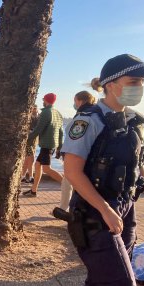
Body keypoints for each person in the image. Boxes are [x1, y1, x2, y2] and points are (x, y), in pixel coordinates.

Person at [62, 54, 144, 286]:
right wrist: (106, 210)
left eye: (141, 84)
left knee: (99, 282)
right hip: (95, 214)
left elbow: (135, 167)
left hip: (125, 210)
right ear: (111, 85)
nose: (139, 89)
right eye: (133, 83)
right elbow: (72, 172)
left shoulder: (131, 122)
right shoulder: (88, 120)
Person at [53, 91, 97, 220]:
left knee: (68, 183)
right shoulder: (94, 113)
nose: (74, 103)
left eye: (75, 100)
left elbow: (76, 139)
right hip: (88, 158)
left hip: (77, 158)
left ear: (80, 101)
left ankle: (64, 208)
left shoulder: (83, 116)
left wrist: (66, 154)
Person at [23, 93, 64, 196]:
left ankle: (67, 185)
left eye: (43, 100)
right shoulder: (57, 113)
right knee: (37, 165)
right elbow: (61, 132)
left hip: (47, 144)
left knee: (46, 168)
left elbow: (38, 129)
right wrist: (59, 147)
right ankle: (33, 191)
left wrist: (25, 140)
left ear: (46, 100)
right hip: (52, 144)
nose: (42, 101)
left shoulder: (46, 112)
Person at [21, 105, 39, 183]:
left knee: (28, 160)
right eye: (33, 108)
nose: (34, 110)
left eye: (35, 108)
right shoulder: (30, 117)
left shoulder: (37, 117)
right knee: (31, 159)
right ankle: (30, 177)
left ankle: (23, 176)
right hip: (28, 141)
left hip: (32, 140)